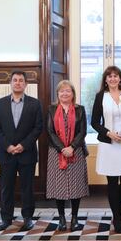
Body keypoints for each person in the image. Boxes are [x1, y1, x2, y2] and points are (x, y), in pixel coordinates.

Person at [91, 65, 121, 234]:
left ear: (120, 79)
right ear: (105, 80)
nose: (113, 79)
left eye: (116, 76)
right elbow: (95, 122)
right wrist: (108, 133)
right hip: (109, 145)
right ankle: (117, 219)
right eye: (109, 76)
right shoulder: (100, 97)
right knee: (113, 183)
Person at [0, 71, 43, 231]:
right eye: (15, 80)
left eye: (21, 80)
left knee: (27, 188)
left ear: (26, 84)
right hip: (6, 153)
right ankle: (6, 218)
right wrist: (8, 146)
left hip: (27, 153)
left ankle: (27, 218)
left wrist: (23, 145)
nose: (18, 83)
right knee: (6, 188)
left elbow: (38, 127)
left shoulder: (35, 104)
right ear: (10, 83)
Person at [47, 80, 89, 232]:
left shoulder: (80, 110)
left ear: (73, 94)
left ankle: (75, 218)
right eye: (62, 91)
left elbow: (82, 131)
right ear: (58, 94)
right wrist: (62, 148)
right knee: (58, 187)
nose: (65, 94)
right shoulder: (51, 109)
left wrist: (71, 147)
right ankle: (61, 218)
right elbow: (50, 132)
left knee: (76, 186)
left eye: (68, 91)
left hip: (75, 151)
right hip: (56, 152)